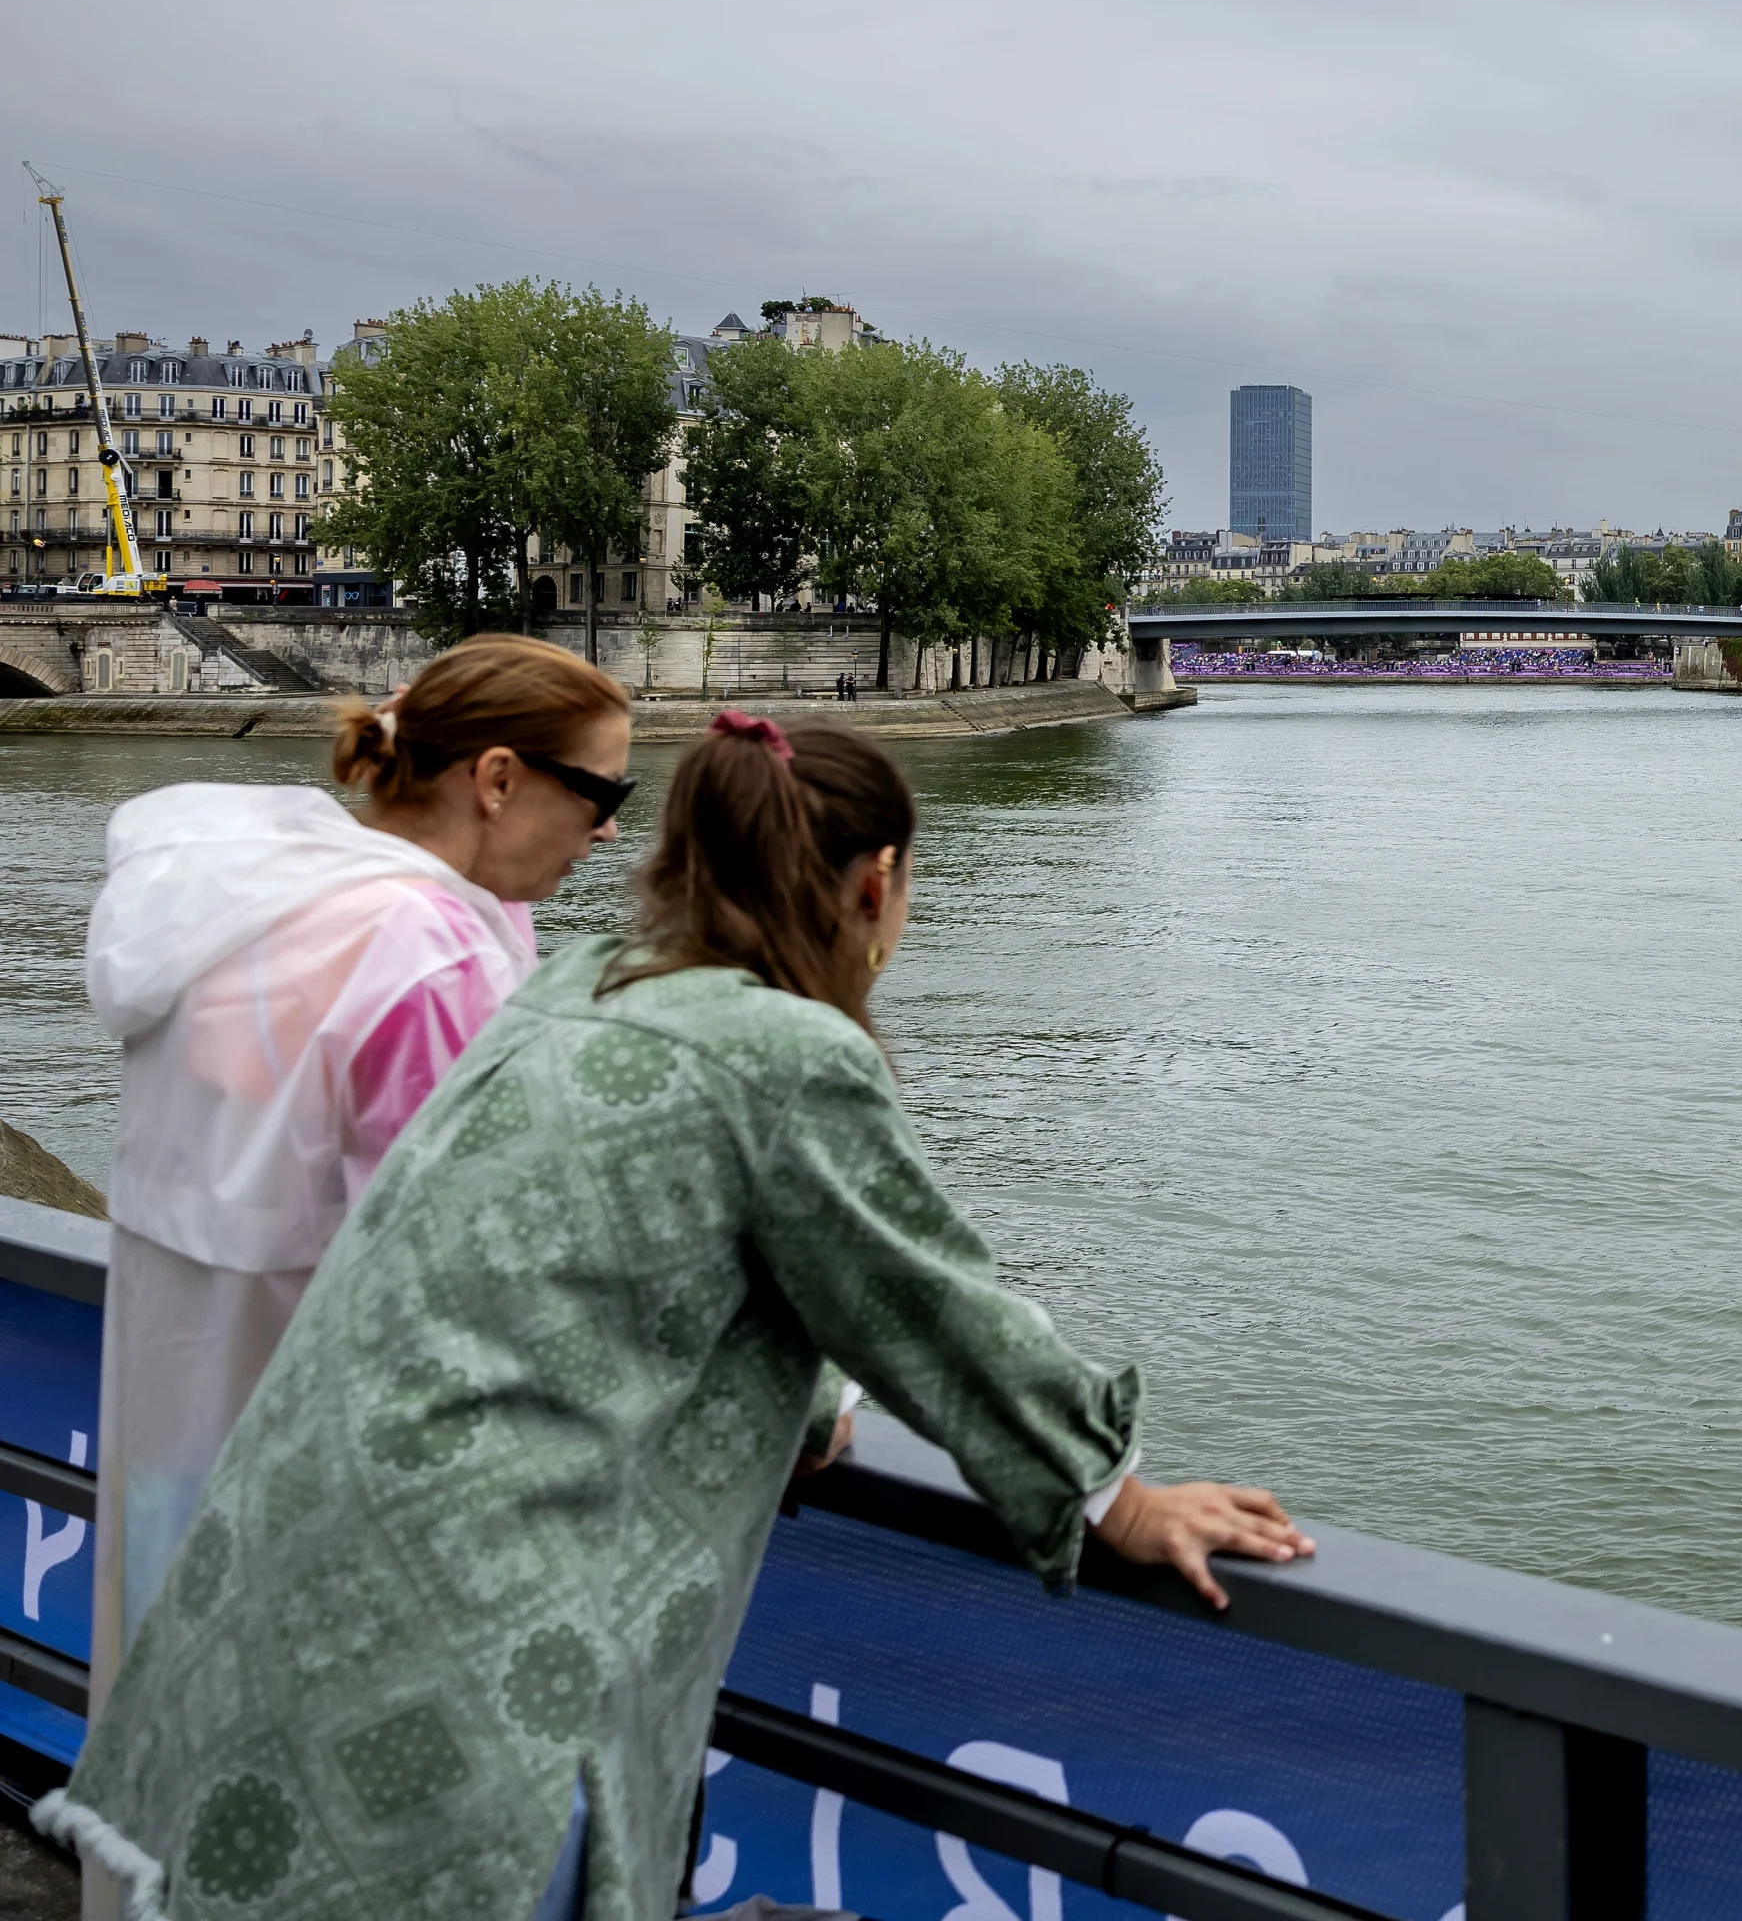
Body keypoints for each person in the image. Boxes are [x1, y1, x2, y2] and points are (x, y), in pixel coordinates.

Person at [39, 714, 1306, 1921]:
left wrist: (811, 1401)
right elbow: (925, 1296)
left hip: (278, 1590)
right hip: (467, 1645)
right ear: (877, 885)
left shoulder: (586, 979)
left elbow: (635, 1236)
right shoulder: (784, 1052)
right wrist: (1115, 1496)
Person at [77, 633, 633, 1707]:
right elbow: (479, 1264)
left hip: (176, 1424)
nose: (610, 828)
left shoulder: (254, 907)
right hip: (332, 1479)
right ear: (499, 778)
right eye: (606, 788)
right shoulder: (427, 956)